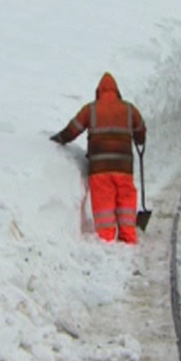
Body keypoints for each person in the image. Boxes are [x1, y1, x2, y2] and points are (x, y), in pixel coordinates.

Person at [50, 72, 146, 244]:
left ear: (98, 91)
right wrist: (139, 140)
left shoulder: (91, 109)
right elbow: (140, 128)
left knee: (104, 204)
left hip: (100, 168)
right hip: (124, 168)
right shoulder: (129, 109)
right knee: (126, 200)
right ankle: (128, 237)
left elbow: (73, 129)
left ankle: (106, 239)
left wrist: (59, 139)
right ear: (117, 91)